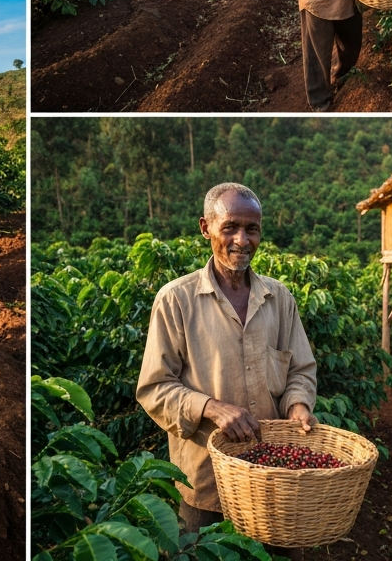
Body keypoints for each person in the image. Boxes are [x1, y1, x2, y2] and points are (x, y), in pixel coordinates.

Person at [136, 182, 318, 558]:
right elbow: (154, 387)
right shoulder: (176, 300)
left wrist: (298, 404)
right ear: (206, 228)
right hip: (206, 482)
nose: (242, 239)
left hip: (274, 478)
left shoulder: (279, 298)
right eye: (230, 227)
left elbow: (300, 368)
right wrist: (210, 407)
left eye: (252, 229)